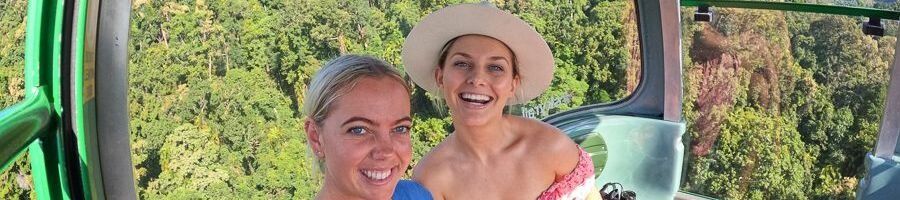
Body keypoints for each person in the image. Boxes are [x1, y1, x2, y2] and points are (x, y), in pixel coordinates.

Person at [402, 3, 601, 200]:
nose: (477, 78)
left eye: (495, 68)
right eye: (462, 63)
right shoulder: (430, 177)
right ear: (440, 76)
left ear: (513, 84)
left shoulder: (550, 147)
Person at [303, 55, 431, 200]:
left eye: (400, 128)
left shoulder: (415, 195)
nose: (386, 151)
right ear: (316, 138)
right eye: (359, 130)